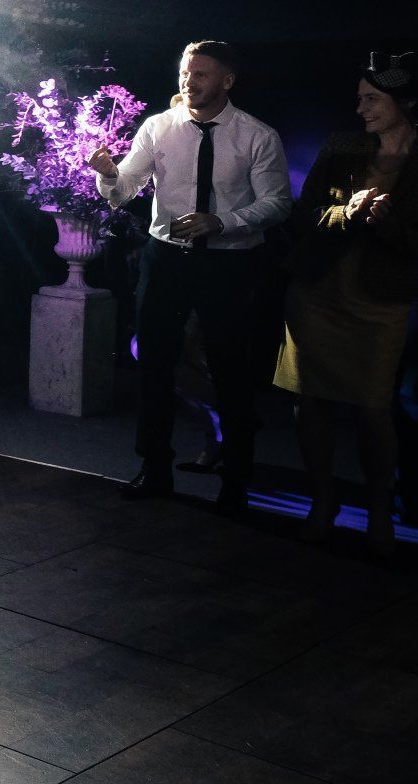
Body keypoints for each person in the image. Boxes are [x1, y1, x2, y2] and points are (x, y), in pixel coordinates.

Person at [89, 40, 291, 513]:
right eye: (185, 73)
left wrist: (221, 222)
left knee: (230, 367)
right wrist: (105, 174)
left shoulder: (257, 136)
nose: (189, 82)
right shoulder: (159, 127)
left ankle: (236, 481)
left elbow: (278, 203)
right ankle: (154, 469)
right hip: (167, 257)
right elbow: (122, 192)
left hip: (229, 262)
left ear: (226, 81)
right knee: (154, 364)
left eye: (201, 74)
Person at [274, 51, 418, 553]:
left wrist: (385, 223)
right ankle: (322, 505)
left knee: (373, 411)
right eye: (359, 98)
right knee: (309, 403)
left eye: (372, 98)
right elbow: (303, 214)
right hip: (316, 294)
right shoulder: (342, 146)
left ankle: (380, 517)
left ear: (405, 101)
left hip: (379, 305)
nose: (361, 108)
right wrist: (347, 213)